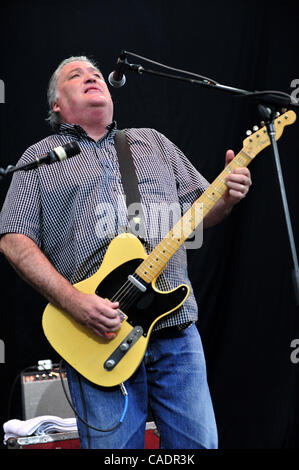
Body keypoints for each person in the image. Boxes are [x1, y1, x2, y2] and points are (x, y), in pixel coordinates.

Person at [0, 56, 251, 449]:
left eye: (96, 73)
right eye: (76, 75)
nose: (91, 77)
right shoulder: (39, 159)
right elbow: (13, 240)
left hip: (175, 330)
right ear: (56, 104)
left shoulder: (153, 142)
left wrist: (228, 197)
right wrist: (75, 302)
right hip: (98, 333)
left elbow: (200, 214)